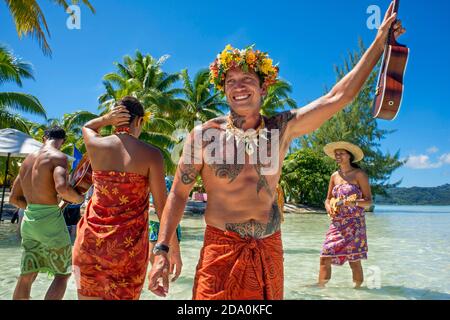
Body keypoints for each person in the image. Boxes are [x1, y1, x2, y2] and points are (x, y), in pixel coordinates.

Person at [148, 2, 405, 300]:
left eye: (247, 80)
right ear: (224, 90)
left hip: (269, 248)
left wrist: (378, 42)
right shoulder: (204, 136)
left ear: (263, 89)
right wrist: (162, 250)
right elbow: (179, 194)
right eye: (231, 81)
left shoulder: (281, 129)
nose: (239, 86)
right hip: (220, 249)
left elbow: (339, 96)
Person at [72, 96, 181, 300]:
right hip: (128, 252)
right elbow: (162, 207)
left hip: (89, 244)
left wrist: (105, 119)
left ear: (115, 120)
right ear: (139, 121)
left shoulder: (96, 145)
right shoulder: (151, 155)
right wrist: (172, 249)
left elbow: (87, 126)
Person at [9, 126, 84, 300]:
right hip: (50, 221)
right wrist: (78, 200)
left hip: (29, 221)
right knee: (63, 273)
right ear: (62, 141)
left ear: (44, 138)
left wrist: (34, 208)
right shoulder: (58, 157)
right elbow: (62, 188)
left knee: (28, 272)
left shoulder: (27, 161)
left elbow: (13, 198)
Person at [318, 142, 372, 288]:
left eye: (341, 153)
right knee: (325, 255)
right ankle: (320, 289)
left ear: (349, 156)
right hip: (337, 223)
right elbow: (328, 198)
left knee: (354, 260)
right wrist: (328, 207)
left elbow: (368, 202)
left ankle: (358, 291)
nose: (338, 156)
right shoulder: (334, 176)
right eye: (336, 153)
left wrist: (351, 203)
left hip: (355, 224)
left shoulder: (359, 174)